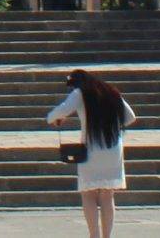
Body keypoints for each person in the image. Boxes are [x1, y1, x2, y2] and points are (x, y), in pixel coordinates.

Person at [47, 67, 136, 238]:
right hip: (112, 147)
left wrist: (53, 118)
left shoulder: (80, 93)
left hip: (92, 148)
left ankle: (93, 235)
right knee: (107, 195)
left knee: (88, 193)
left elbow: (60, 111)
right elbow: (130, 117)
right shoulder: (110, 91)